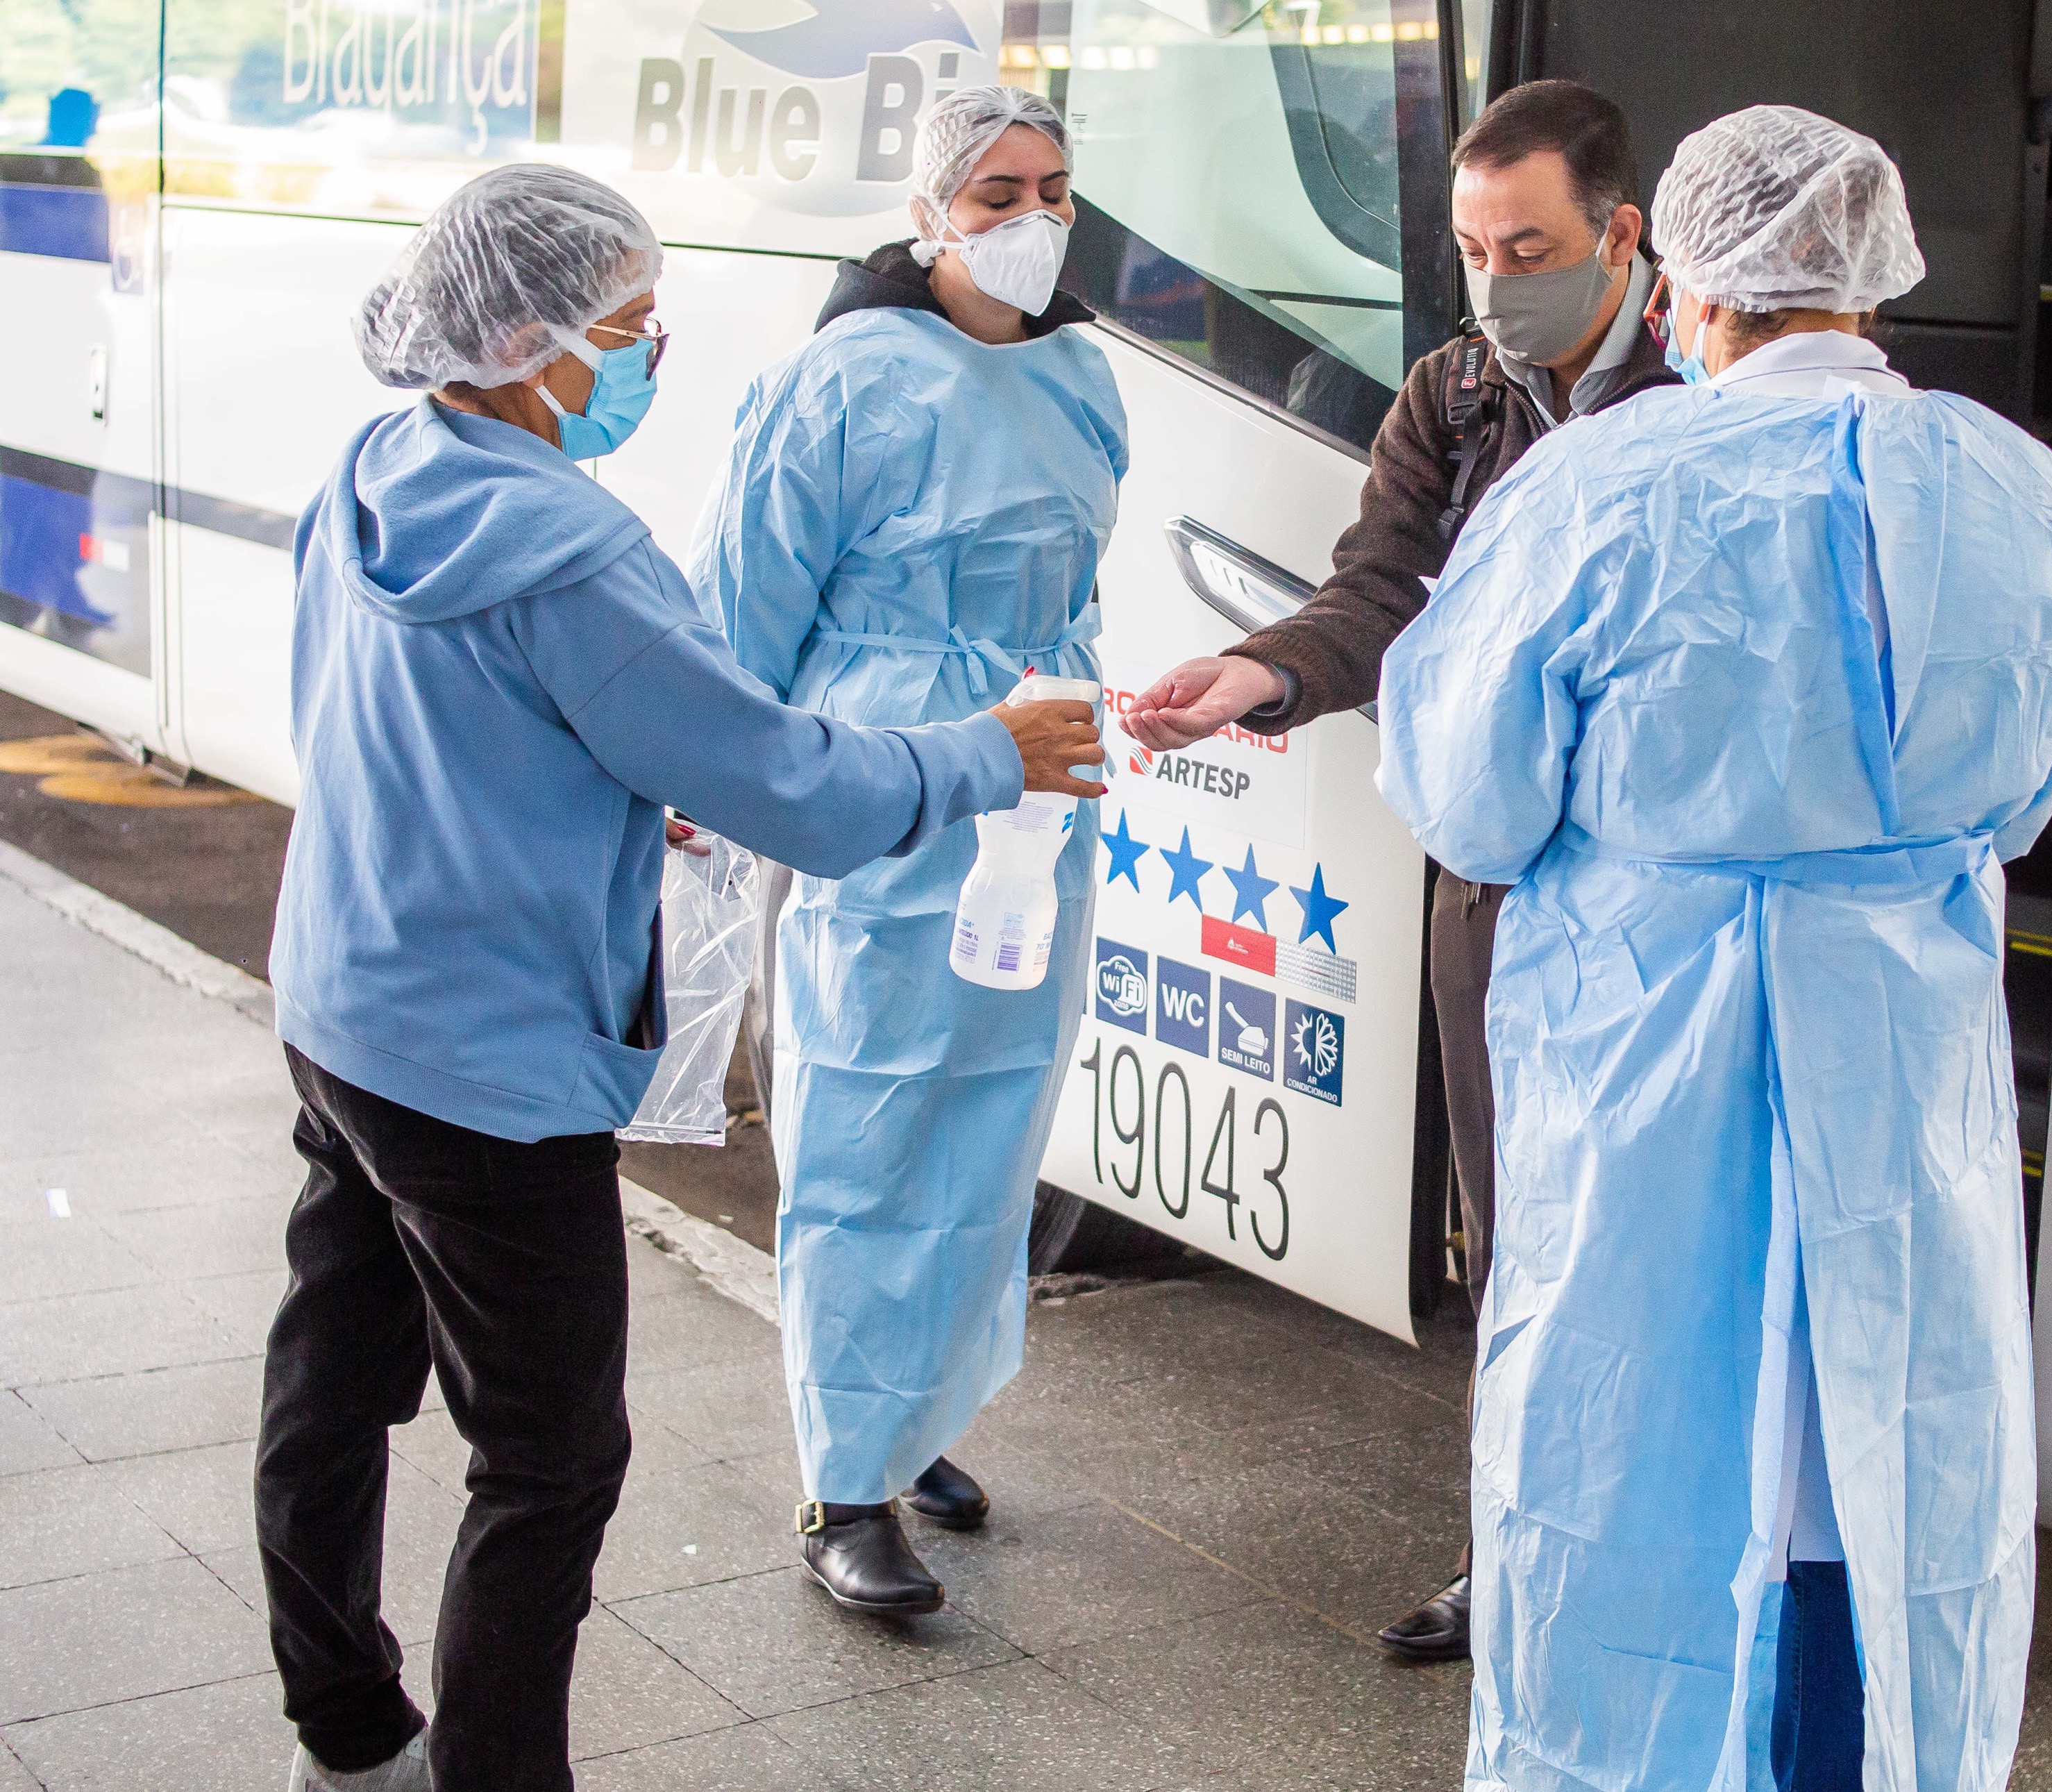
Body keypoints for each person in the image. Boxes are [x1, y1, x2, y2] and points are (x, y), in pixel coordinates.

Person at [258, 165, 1102, 1792]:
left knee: (331, 1380)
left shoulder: (377, 467)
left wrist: (615, 784)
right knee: (552, 1459)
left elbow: (417, 723)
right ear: (525, 340)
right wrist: (985, 754)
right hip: (486, 1072)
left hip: (340, 1002)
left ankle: (346, 1738)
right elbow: (791, 783)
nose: (650, 358)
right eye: (631, 330)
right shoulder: (574, 550)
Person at [1377, 107, 2052, 1791]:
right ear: (1872, 277)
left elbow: (1469, 798)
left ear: (1684, 279)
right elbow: (2021, 789)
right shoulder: (2014, 490)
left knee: (1635, 1456)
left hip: (1646, 1054)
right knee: (1886, 1457)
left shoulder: (1601, 483)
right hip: (1896, 1047)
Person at [1118, 77, 1674, 1664]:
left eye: (1530, 246)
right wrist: (1262, 675)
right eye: (1471, 248)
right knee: (1510, 1233)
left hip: (1671, 895)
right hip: (1498, 895)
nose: (1497, 282)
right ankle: (1516, 1554)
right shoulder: (1456, 391)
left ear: (1619, 236)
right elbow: (1378, 591)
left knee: (1660, 1229)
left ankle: (1672, 1561)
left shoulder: (1709, 385)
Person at [689, 85, 1127, 1616]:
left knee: (992, 1115)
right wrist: (719, 777)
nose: (1029, 222)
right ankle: (841, 1479)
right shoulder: (839, 382)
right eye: (995, 192)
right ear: (930, 211)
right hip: (878, 790)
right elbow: (741, 611)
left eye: (1053, 189)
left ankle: (918, 1408)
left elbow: (1071, 585)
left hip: (1034, 788)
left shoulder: (1082, 375)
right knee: (868, 1118)